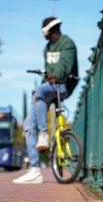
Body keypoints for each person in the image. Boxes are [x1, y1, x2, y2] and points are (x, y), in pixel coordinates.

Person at [13, 17, 78, 184]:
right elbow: (47, 71)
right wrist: (48, 77)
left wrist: (55, 75)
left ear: (51, 29)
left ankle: (43, 134)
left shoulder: (67, 43)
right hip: (47, 89)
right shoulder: (46, 49)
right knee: (28, 125)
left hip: (63, 86)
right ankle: (34, 169)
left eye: (45, 32)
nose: (44, 36)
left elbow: (65, 66)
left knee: (38, 90)